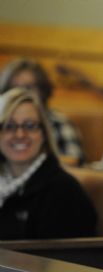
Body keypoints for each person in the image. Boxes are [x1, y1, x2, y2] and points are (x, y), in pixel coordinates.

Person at [0, 88, 97, 239]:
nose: (20, 134)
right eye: (9, 126)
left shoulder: (63, 191)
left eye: (30, 125)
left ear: (44, 133)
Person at [0, 58, 85, 163]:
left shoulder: (58, 123)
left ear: (42, 90)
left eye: (28, 87)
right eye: (13, 88)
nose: (20, 93)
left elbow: (75, 164)